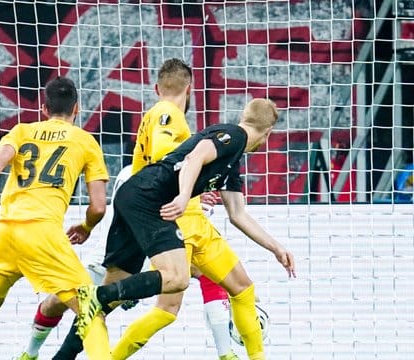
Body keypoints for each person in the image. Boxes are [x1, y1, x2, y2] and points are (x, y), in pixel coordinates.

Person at [15, 59, 241, 360]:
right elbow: (166, 156)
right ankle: (32, 352)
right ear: (190, 89)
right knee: (88, 296)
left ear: (157, 87)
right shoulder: (168, 113)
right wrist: (187, 184)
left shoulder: (153, 122)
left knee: (106, 297)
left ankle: (52, 355)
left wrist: (192, 189)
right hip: (146, 212)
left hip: (141, 211)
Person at [76, 97, 296, 360]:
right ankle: (109, 342)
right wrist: (183, 196)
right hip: (178, 223)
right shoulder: (234, 136)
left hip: (195, 226)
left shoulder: (232, 159)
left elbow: (238, 214)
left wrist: (276, 248)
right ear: (268, 132)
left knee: (242, 288)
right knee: (168, 306)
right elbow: (194, 157)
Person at [0, 76, 113, 360]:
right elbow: (99, 207)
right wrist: (87, 226)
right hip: (43, 234)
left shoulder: (22, 131)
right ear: (76, 109)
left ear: (44, 109)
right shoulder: (86, 141)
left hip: (6, 233)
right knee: (93, 314)